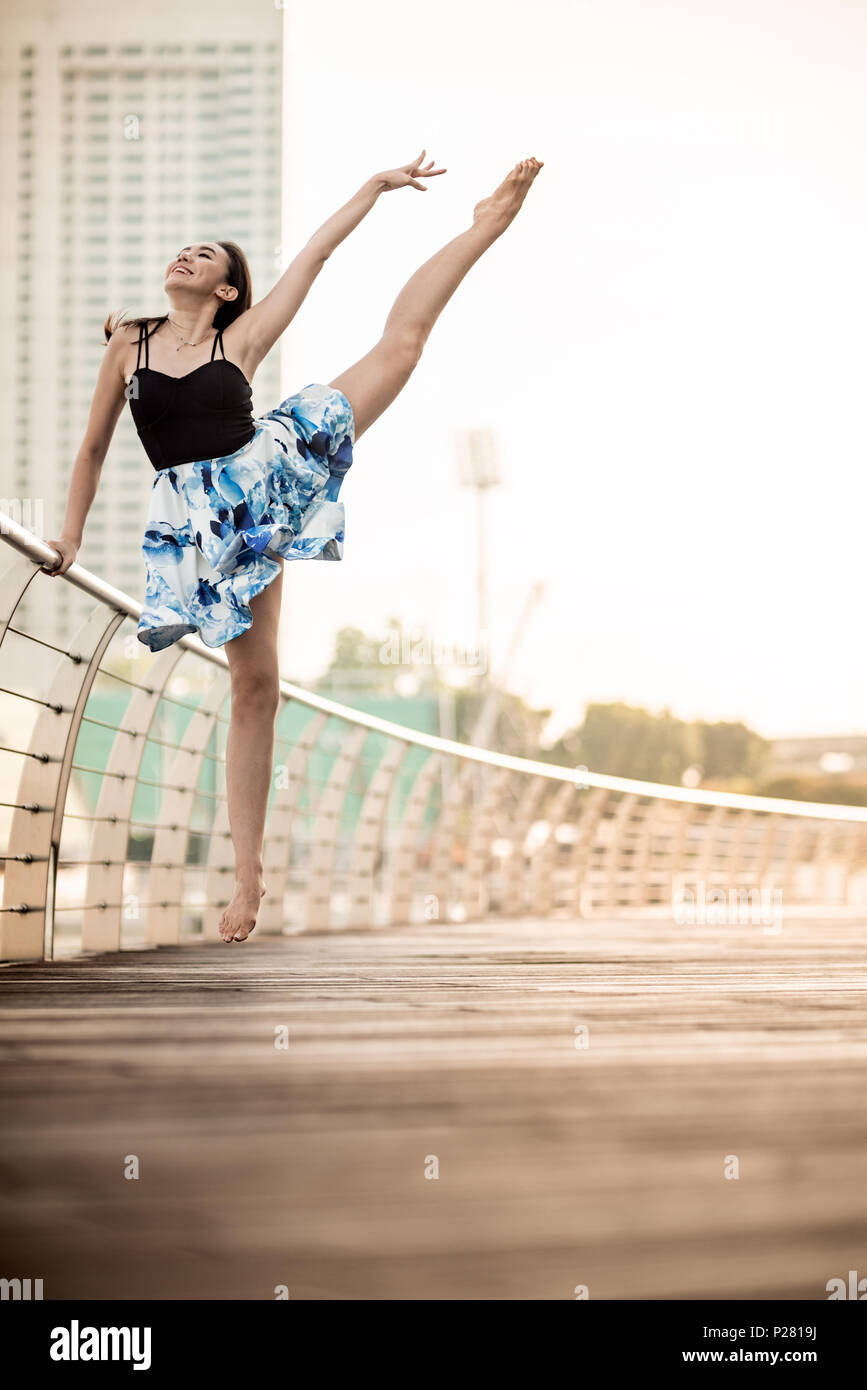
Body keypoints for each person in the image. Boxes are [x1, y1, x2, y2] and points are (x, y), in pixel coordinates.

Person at [44, 151, 544, 943]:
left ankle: (483, 226)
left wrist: (373, 189)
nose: (187, 254)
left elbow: (314, 254)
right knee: (254, 686)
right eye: (183, 249)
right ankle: (249, 876)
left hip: (266, 471)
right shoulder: (128, 344)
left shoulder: (240, 339)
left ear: (227, 290)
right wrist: (69, 535)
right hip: (196, 515)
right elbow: (92, 451)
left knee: (401, 349)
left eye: (205, 255)